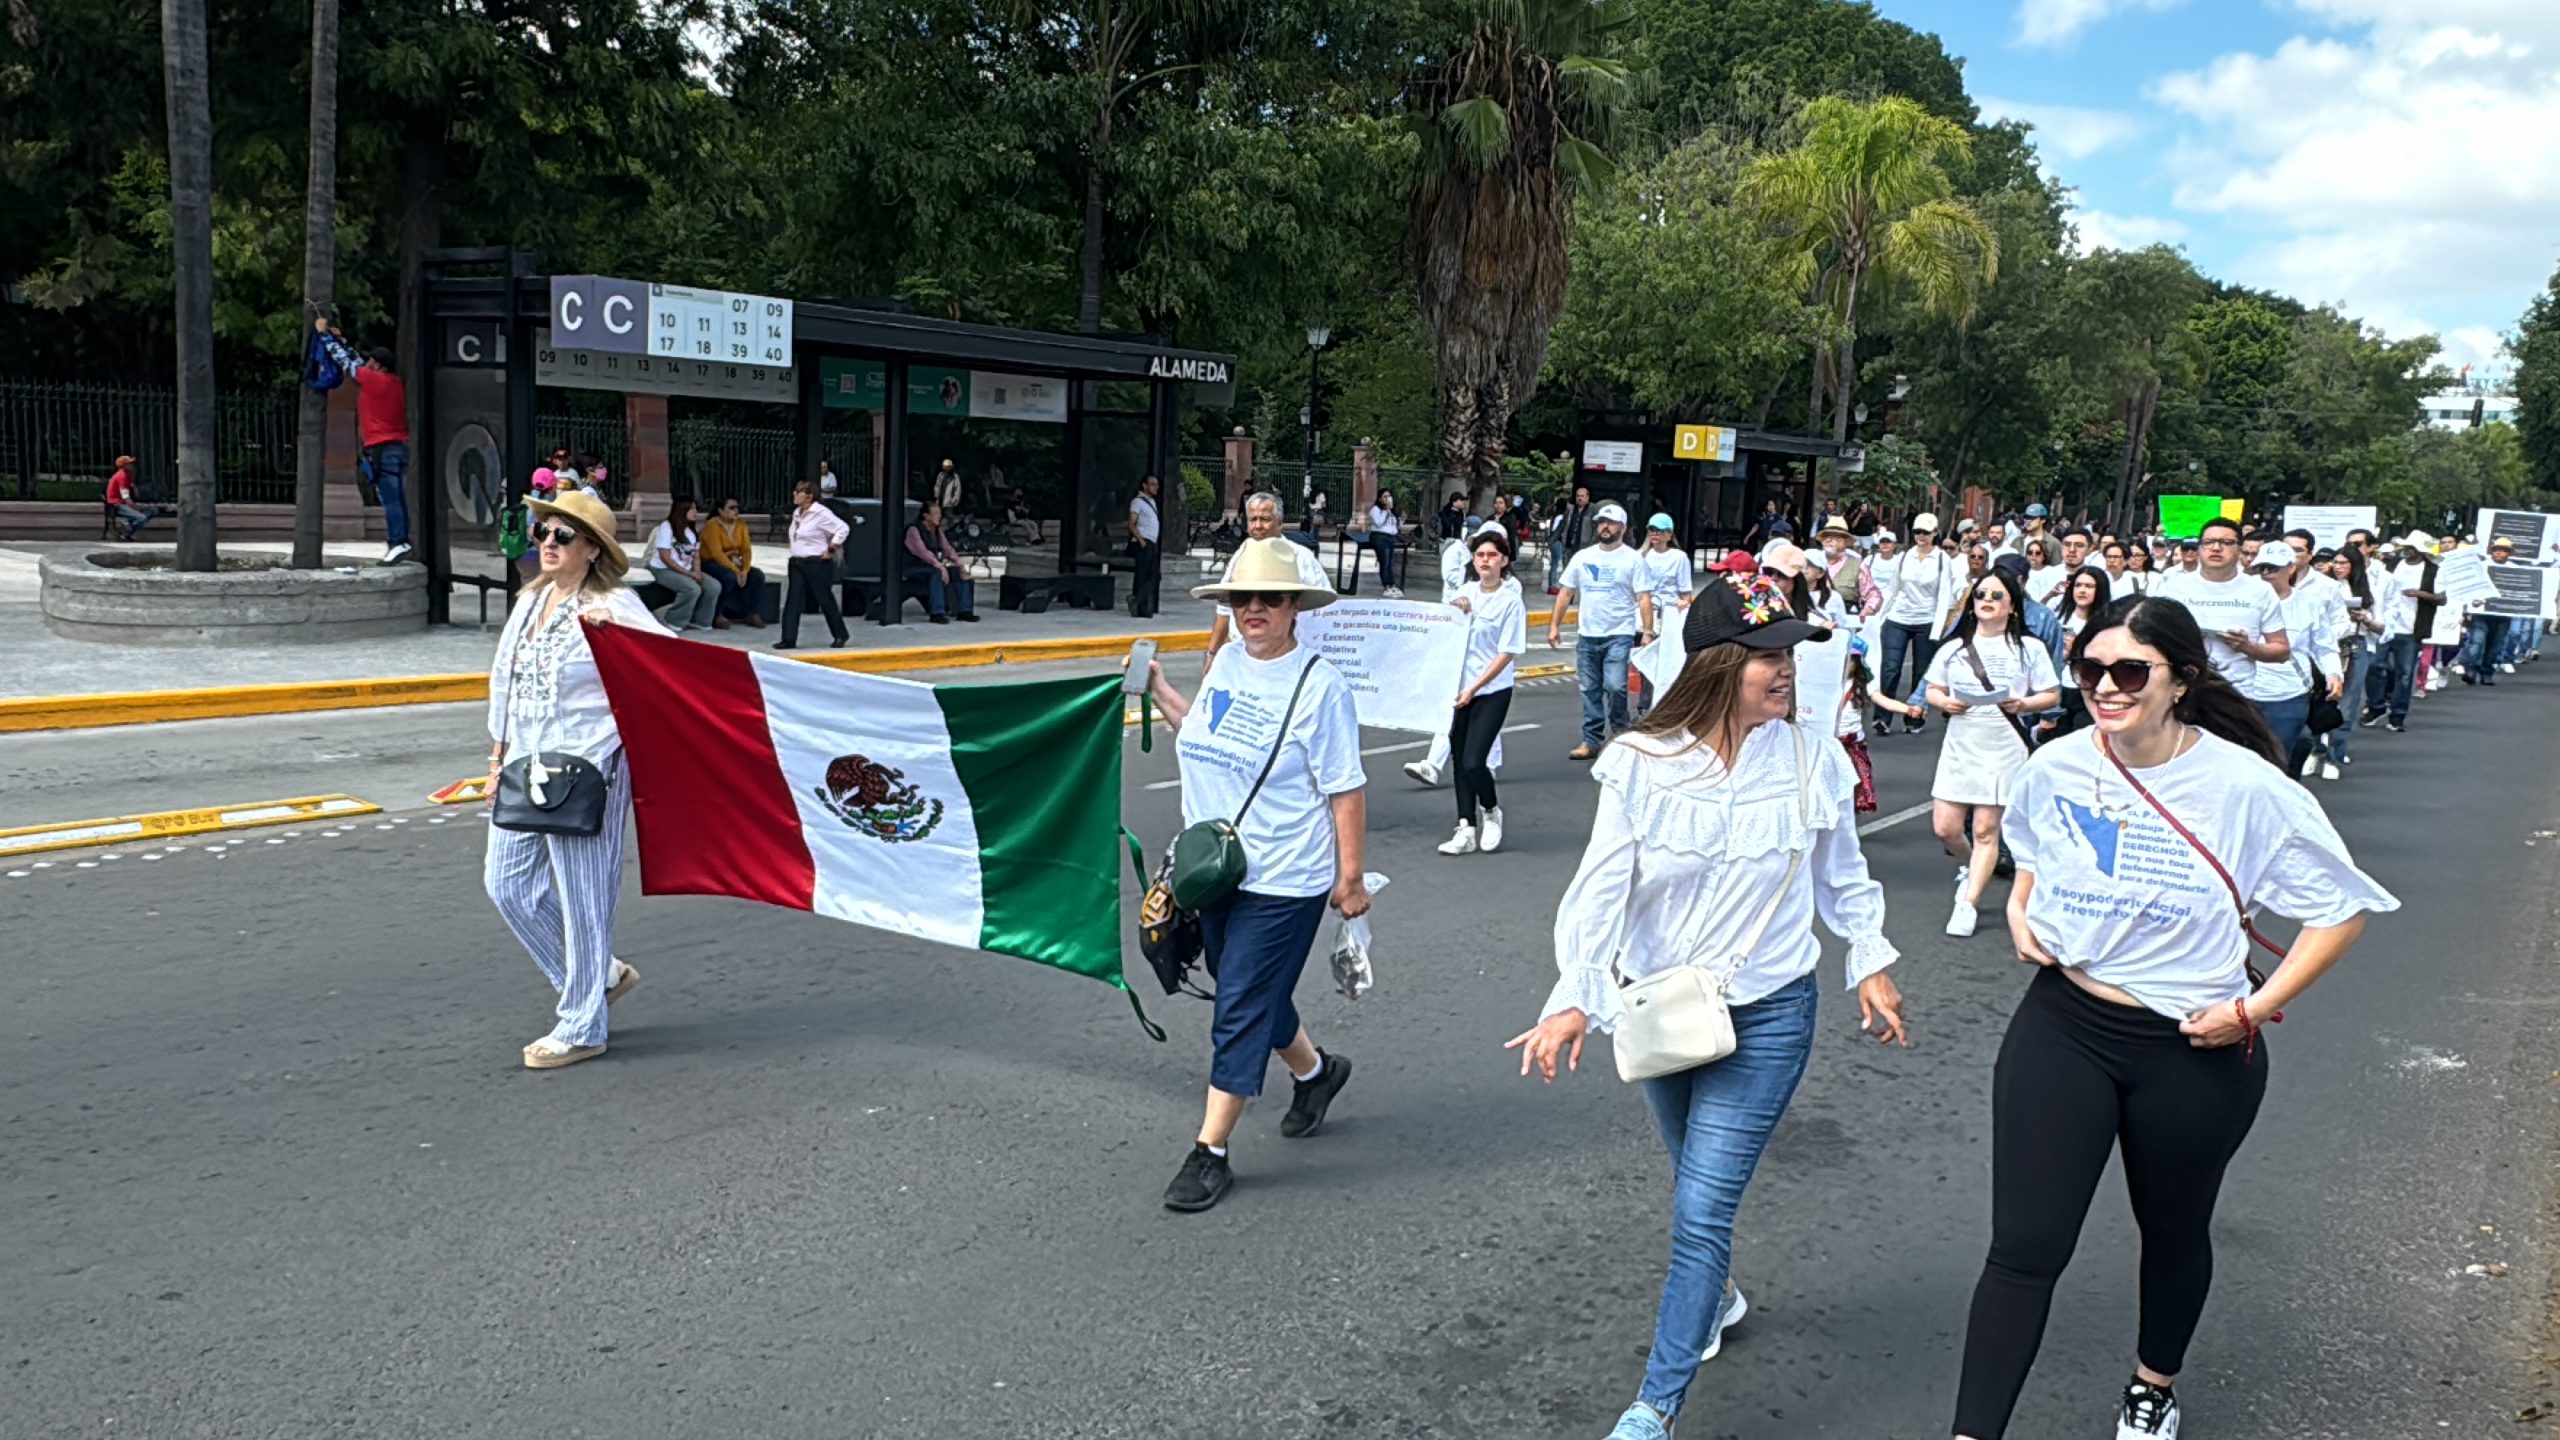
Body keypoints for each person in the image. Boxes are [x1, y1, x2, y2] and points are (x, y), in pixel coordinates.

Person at [1950, 597, 2397, 1440]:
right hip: (2066, 1026)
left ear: (2181, 682)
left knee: (2174, 1226)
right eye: (2090, 671)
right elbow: (2036, 855)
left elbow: (2339, 910)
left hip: (2194, 1046)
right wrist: (2021, 909)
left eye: (2130, 673)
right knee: (2024, 1248)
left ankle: (2153, 1383)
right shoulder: (2054, 765)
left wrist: (2252, 1008)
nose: (2106, 690)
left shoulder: (2245, 787)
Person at [1506, 571, 1907, 1440]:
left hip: (1770, 1013)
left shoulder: (1813, 758)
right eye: (1765, 655)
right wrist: (1573, 997)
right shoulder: (1643, 764)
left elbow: (1841, 877)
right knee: (1695, 1188)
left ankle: (1654, 1408)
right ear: (1717, 665)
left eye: (1790, 654)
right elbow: (1600, 891)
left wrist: (1868, 960)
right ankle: (1717, 1297)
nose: (1784, 670)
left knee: (1700, 1211)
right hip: (1660, 1010)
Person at [1133, 537, 1368, 1213]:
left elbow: (1345, 790)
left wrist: (1349, 880)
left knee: (1238, 1001)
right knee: (1249, 988)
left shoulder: (1320, 685)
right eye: (1243, 598)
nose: (1255, 609)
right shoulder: (1229, 661)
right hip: (1214, 870)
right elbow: (1207, 737)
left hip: (1286, 877)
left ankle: (1209, 1152)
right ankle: (1318, 1074)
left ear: (1296, 607)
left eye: (1271, 598)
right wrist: (1164, 691)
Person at [481, 488, 672, 1071]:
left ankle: (583, 1023)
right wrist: (495, 761)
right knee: (507, 884)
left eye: (564, 535)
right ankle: (600, 975)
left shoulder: (615, 605)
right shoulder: (528, 603)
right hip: (527, 766)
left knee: (584, 898)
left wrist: (617, 636)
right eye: (544, 532)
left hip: (591, 766)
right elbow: (504, 686)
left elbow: (672, 669)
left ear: (592, 549)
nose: (548, 543)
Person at [1926, 570, 2061, 938]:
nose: (1987, 600)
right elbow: (1932, 688)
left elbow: (2051, 693)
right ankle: (1973, 869)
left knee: (1986, 829)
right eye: (1981, 594)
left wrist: (2025, 703)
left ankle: (1968, 903)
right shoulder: (1952, 648)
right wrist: (1944, 702)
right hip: (1962, 739)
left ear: (2013, 607)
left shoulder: (2029, 648)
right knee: (1946, 828)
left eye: (1997, 595)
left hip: (2005, 740)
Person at [1436, 525, 1527, 856]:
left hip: (1491, 690)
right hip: (1458, 689)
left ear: (1503, 560)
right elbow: (1440, 633)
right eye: (1479, 555)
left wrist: (1475, 687)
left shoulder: (1510, 602)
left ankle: (1490, 810)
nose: (1485, 561)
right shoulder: (1465, 593)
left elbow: (1506, 653)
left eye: (1492, 555)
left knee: (1475, 760)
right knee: (1459, 759)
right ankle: (1465, 826)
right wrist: (1452, 611)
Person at [1549, 501, 1647, 761]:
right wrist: (1554, 625)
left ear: (1623, 528)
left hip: (1619, 633)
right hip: (1588, 634)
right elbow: (1566, 592)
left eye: (1612, 522)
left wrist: (1647, 631)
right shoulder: (1583, 557)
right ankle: (1591, 740)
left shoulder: (1633, 559)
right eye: (1602, 522)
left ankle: (1620, 732)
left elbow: (1643, 597)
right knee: (1590, 689)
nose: (1605, 527)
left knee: (1615, 686)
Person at [2152, 519, 2289, 702]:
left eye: (2226, 543)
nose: (2216, 548)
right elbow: (2151, 637)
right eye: (2208, 542)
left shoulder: (2260, 590)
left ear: (2239, 550)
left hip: (2238, 694)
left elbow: (2282, 651)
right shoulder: (2172, 587)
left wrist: (2247, 647)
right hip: (2181, 691)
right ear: (2199, 549)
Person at [314, 318, 414, 564]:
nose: (366, 364)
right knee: (400, 497)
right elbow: (356, 360)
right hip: (399, 445)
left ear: (377, 366)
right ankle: (403, 540)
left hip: (381, 447)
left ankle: (397, 542)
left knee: (390, 499)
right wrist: (340, 338)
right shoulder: (394, 383)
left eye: (371, 362)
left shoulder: (372, 380)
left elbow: (347, 363)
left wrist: (325, 337)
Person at [1211, 491, 1336, 665]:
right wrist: (1212, 654)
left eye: (1265, 519)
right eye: (1253, 520)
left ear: (1279, 523)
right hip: (1243, 657)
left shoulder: (1302, 558)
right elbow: (1224, 611)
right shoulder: (1240, 557)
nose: (1258, 526)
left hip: (1287, 659)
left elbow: (1325, 610)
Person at [1872, 512, 1960, 735]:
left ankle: (1914, 716)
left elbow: (1943, 596)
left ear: (1934, 534)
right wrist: (1880, 618)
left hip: (1927, 619)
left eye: (1926, 533)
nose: (1921, 537)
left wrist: (1937, 629)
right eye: (1917, 532)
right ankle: (1882, 717)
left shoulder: (1942, 560)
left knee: (1921, 672)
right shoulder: (1904, 557)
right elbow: (1893, 590)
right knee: (1890, 668)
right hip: (1898, 617)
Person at [2364, 534, 2441, 732]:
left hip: (2411, 629)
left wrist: (2420, 594)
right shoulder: (2391, 565)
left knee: (2404, 674)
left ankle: (2397, 715)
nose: (2407, 550)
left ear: (2421, 551)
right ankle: (2376, 706)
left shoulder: (2433, 571)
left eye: (2412, 547)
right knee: (2374, 666)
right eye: (2406, 547)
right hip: (2384, 625)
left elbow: (2442, 599)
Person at [2313, 547, 2378, 779]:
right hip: (2324, 646)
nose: (2338, 567)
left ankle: (2335, 755)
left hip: (2353, 646)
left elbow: (2382, 626)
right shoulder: (2321, 585)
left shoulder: (2367, 588)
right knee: (2318, 698)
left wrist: (2365, 618)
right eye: (2336, 562)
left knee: (2348, 704)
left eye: (2344, 563)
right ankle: (2315, 750)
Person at [2039, 566, 2112, 744]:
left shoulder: (2106, 621)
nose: (2082, 590)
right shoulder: (2057, 616)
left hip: (2088, 690)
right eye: (2078, 585)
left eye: (2089, 586)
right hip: (2058, 689)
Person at [776, 479, 850, 650]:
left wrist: (831, 548)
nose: (795, 494)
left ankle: (840, 634)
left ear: (809, 496)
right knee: (793, 600)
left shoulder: (821, 513)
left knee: (824, 598)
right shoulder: (797, 513)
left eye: (799, 491)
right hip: (797, 561)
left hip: (815, 562)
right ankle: (788, 638)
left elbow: (842, 528)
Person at [646, 497, 721, 632]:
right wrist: (689, 574)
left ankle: (701, 620)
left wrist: (697, 572)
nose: (696, 512)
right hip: (664, 569)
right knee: (691, 588)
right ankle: (674, 620)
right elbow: (665, 557)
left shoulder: (691, 529)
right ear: (682, 510)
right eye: (692, 509)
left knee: (714, 586)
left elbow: (696, 554)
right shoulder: (666, 527)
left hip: (687, 569)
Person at [902, 497, 980, 624]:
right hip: (913, 568)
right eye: (936, 514)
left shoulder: (937, 531)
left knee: (958, 573)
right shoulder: (914, 530)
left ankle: (965, 611)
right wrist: (940, 566)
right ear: (926, 516)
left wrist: (960, 565)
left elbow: (947, 548)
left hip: (932, 566)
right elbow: (923, 552)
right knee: (936, 573)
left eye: (939, 513)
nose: (939, 516)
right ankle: (937, 613)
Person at [699, 496, 768, 628]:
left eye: (737, 508)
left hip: (734, 563)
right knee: (728, 578)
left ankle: (753, 613)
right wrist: (737, 571)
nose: (736, 510)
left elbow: (746, 550)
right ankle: (717, 614)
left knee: (757, 575)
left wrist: (745, 570)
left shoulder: (741, 525)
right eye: (731, 508)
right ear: (721, 511)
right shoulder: (712, 526)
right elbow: (716, 554)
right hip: (711, 562)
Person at [1817, 518, 1879, 631]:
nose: (1829, 540)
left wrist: (1868, 609)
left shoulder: (1857, 565)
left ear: (1845, 542)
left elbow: (1873, 594)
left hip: (1844, 626)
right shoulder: (1811, 562)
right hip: (1814, 624)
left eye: (1835, 537)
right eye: (1826, 536)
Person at [1127, 474, 1163, 618]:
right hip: (1143, 542)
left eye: (1157, 484)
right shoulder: (1137, 502)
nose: (1156, 487)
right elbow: (1132, 523)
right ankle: (1138, 604)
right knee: (1142, 575)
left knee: (1154, 575)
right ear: (1144, 486)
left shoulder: (1152, 502)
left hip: (1152, 542)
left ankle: (1143, 602)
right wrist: (1140, 539)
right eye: (1153, 484)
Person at [1549, 485, 1595, 594]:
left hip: (1584, 547)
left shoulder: (1592, 510)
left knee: (1584, 573)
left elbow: (1595, 529)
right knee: (1567, 571)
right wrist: (1553, 539)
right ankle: (1568, 596)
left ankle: (1581, 595)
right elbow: (1562, 525)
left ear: (1587, 497)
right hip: (1569, 545)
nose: (1580, 498)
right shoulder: (1570, 509)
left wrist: (1592, 544)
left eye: (1582, 496)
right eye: (1578, 496)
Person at [104, 455, 162, 540]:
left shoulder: (127, 475)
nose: (132, 465)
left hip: (123, 503)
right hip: (117, 504)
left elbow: (132, 488)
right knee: (141, 518)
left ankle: (128, 523)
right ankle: (125, 533)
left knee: (154, 511)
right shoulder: (122, 476)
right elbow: (126, 497)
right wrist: (136, 508)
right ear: (123, 466)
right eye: (129, 463)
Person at [1365, 490, 1405, 597]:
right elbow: (1378, 523)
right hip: (1379, 536)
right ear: (1380, 499)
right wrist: (1386, 511)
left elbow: (1394, 527)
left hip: (1390, 537)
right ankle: (1387, 585)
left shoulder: (1391, 511)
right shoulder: (1375, 510)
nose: (1387, 498)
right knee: (1385, 561)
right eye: (1384, 496)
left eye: (1389, 496)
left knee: (1390, 562)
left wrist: (1400, 520)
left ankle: (1392, 585)